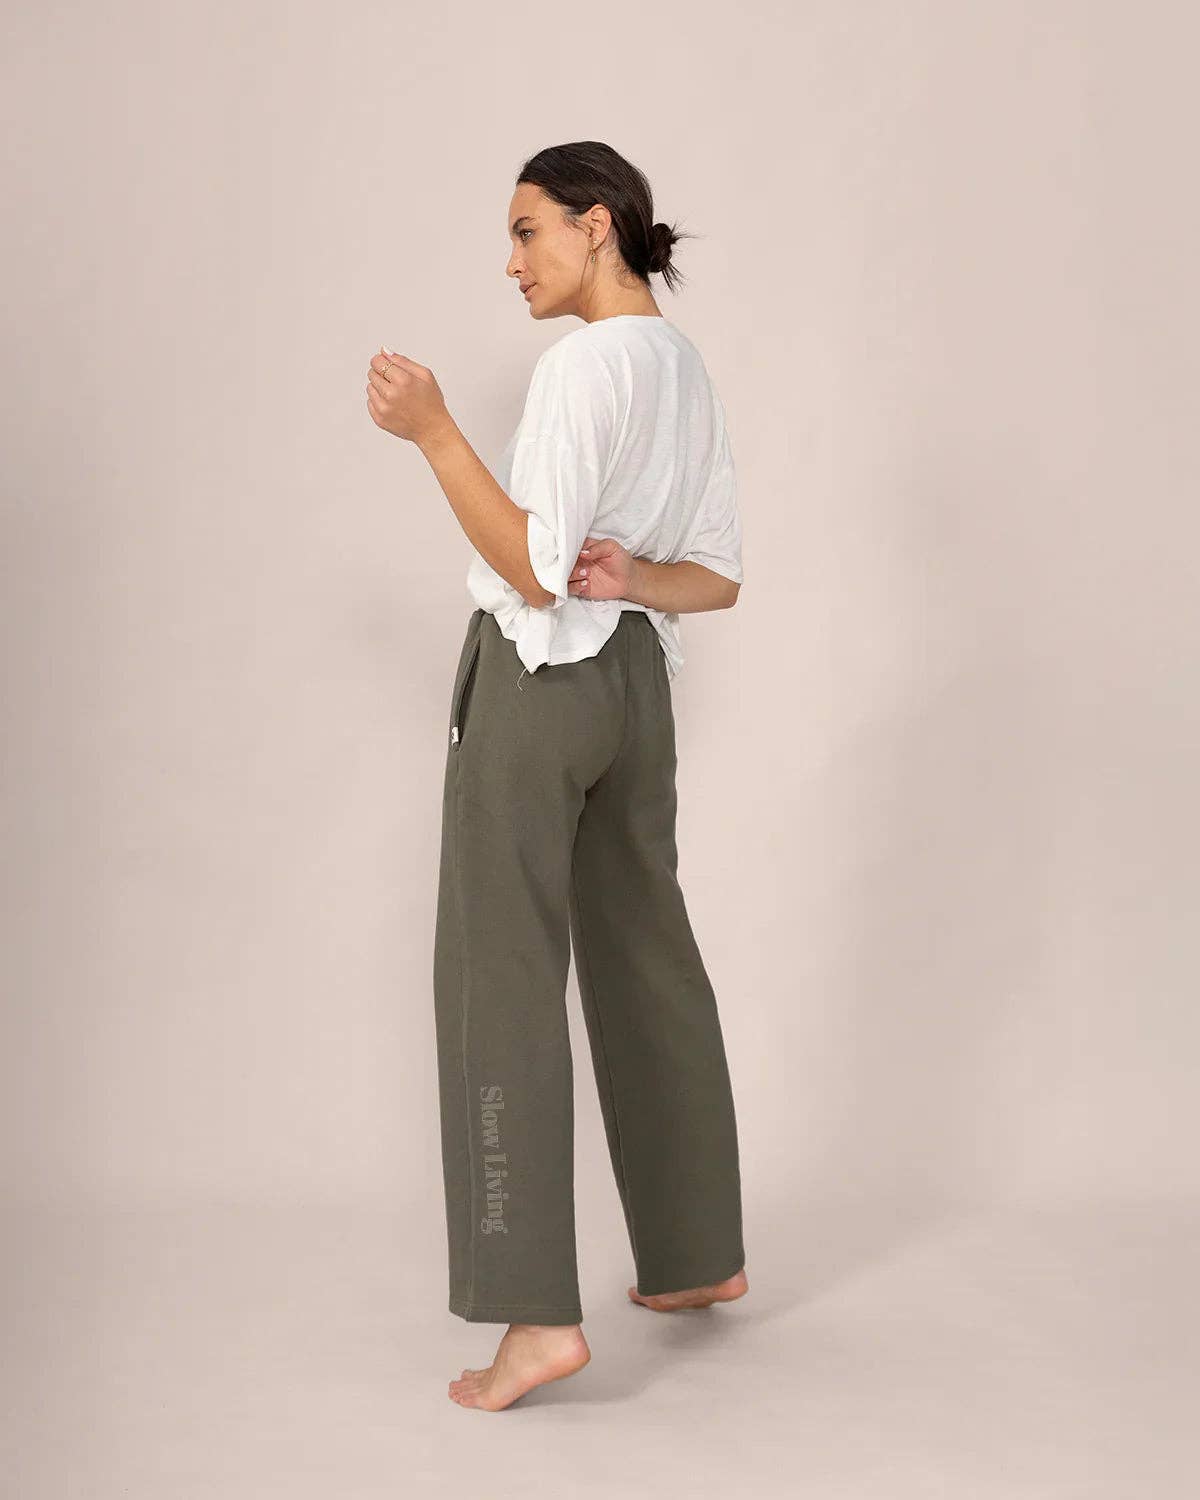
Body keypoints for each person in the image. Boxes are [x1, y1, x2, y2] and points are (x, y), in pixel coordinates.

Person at [365, 141, 749, 1412]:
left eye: (527, 231)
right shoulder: (681, 366)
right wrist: (633, 577)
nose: (513, 261)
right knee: (646, 952)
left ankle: (534, 1318)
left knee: (501, 976)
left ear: (595, 226)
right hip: (637, 684)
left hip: (541, 687)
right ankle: (697, 1257)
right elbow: (716, 580)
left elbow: (534, 573)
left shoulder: (584, 364)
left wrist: (432, 434)